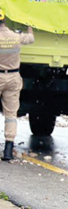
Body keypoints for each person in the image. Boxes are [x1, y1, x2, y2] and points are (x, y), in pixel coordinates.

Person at [0, 8, 33, 161]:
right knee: (11, 115)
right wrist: (29, 25)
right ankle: (8, 149)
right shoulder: (15, 36)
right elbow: (31, 39)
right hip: (13, 77)